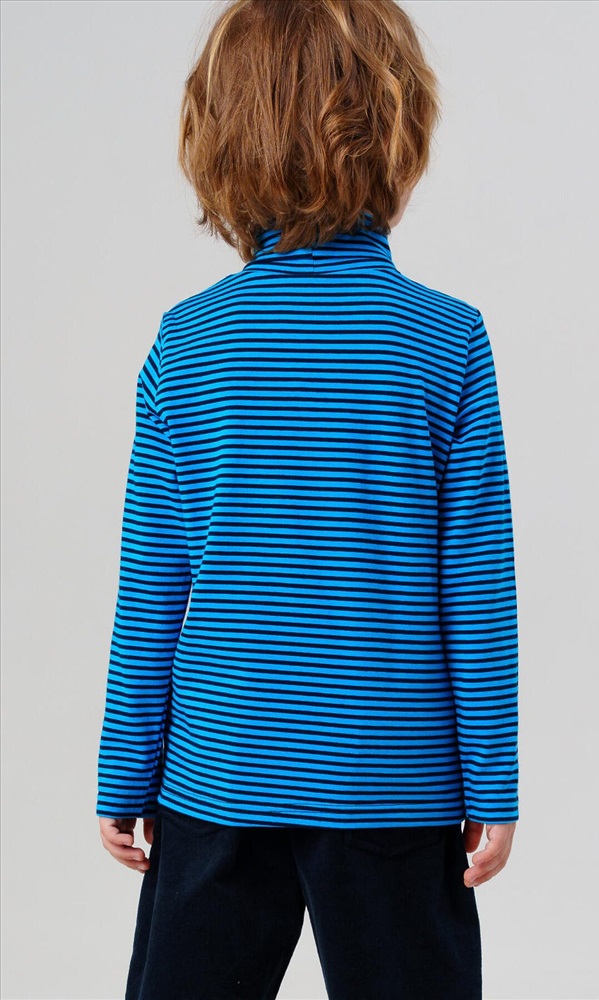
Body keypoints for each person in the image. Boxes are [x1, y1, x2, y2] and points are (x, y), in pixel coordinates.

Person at [95, 1, 519, 997]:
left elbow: (153, 579)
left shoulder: (188, 341)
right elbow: (475, 585)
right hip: (393, 778)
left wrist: (124, 767)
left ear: (217, 137)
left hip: (218, 770)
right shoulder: (447, 341)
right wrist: (492, 779)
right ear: (398, 130)